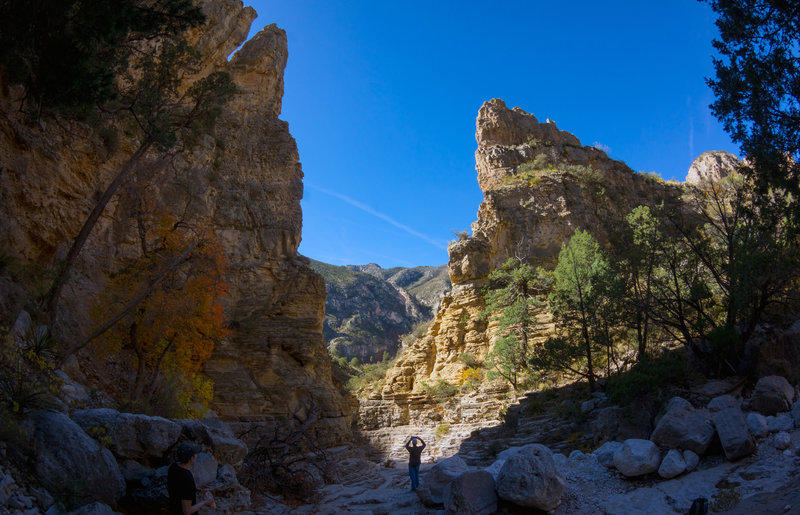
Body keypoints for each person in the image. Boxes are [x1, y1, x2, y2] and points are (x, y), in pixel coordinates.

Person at [167, 442, 217, 515]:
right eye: (195, 454)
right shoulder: (187, 479)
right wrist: (205, 502)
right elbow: (187, 511)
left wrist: (194, 488)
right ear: (192, 458)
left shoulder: (173, 468)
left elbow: (179, 488)